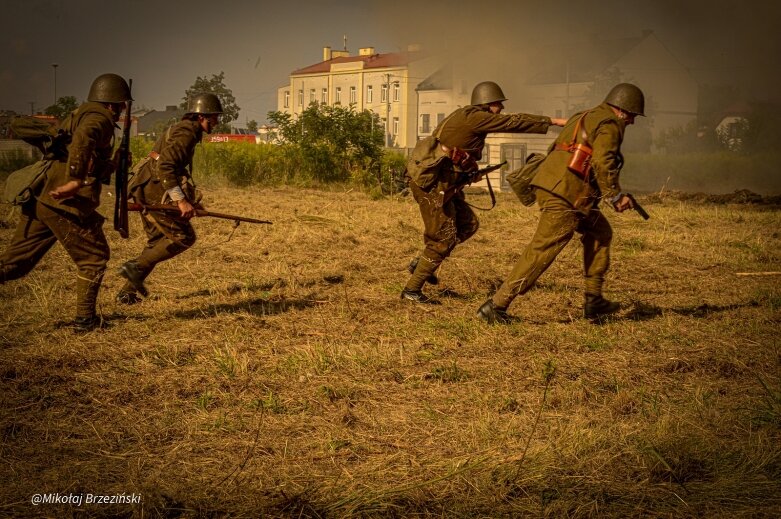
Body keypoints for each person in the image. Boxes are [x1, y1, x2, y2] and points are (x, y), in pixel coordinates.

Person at [477, 83, 646, 323]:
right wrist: (615, 195)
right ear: (621, 110)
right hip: (566, 195)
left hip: (562, 190)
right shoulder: (610, 124)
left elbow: (557, 150)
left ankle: (593, 299)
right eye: (631, 115)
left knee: (600, 232)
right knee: (542, 249)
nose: (632, 121)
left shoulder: (584, 116)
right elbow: (603, 160)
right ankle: (496, 306)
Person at [401, 81, 566, 303]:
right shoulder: (475, 117)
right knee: (443, 240)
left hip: (445, 184)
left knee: (468, 225)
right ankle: (412, 290)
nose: (501, 109)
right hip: (432, 186)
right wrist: (552, 121)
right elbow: (512, 122)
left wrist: (470, 173)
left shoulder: (469, 117)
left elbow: (458, 155)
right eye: (499, 104)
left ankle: (421, 263)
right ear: (488, 104)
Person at [0, 73, 132, 331]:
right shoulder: (98, 117)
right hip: (64, 201)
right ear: (112, 103)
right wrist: (75, 178)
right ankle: (85, 321)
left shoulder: (81, 112)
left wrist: (112, 163)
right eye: (122, 104)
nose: (123, 110)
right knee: (94, 257)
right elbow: (83, 139)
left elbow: (88, 156)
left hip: (43, 195)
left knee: (17, 263)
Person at [115, 93, 223, 304]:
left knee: (158, 241)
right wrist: (180, 201)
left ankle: (126, 292)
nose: (217, 122)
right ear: (202, 116)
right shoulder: (187, 131)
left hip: (150, 185)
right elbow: (165, 166)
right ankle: (133, 268)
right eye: (214, 117)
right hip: (153, 186)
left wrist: (189, 199)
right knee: (182, 237)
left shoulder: (187, 130)